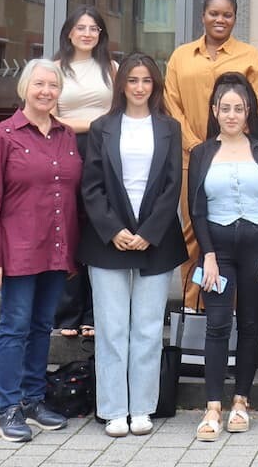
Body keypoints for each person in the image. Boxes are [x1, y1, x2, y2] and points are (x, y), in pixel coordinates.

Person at [79, 54, 185, 437]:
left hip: (155, 240)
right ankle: (112, 410)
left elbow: (173, 186)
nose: (140, 87)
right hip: (108, 240)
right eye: (132, 80)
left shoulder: (169, 128)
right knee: (110, 328)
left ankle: (142, 407)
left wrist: (149, 231)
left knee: (147, 328)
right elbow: (91, 187)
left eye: (146, 81)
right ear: (121, 84)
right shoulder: (101, 127)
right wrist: (113, 229)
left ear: (154, 85)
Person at [0, 59, 81, 442]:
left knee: (41, 327)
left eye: (53, 86)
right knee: (14, 328)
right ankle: (8, 408)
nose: (46, 91)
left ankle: (34, 399)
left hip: (55, 251)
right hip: (18, 251)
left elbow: (71, 199)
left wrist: (72, 252)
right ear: (25, 88)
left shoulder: (66, 136)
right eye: (39, 84)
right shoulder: (1, 135)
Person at [187, 72, 258, 441]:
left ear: (248, 113)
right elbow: (196, 209)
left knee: (249, 324)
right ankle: (212, 406)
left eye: (238, 109)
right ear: (214, 111)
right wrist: (207, 255)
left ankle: (241, 401)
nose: (231, 115)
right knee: (217, 324)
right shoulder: (201, 152)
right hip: (219, 250)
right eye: (224, 108)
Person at [166, 0, 258, 307]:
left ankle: (227, 308)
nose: (219, 20)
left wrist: (221, 146)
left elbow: (255, 106)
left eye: (227, 15)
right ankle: (194, 306)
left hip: (236, 157)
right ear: (203, 16)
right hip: (189, 156)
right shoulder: (181, 57)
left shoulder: (249, 56)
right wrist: (196, 146)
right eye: (213, 14)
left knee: (230, 230)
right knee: (194, 232)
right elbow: (172, 106)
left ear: (235, 17)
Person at [51, 6, 118, 339]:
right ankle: (67, 313)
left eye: (94, 28)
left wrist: (97, 126)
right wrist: (93, 122)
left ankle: (94, 312)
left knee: (98, 226)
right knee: (69, 228)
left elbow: (120, 113)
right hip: (66, 149)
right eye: (81, 27)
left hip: (104, 152)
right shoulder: (55, 70)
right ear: (69, 32)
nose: (88, 33)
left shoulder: (113, 69)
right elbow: (49, 116)